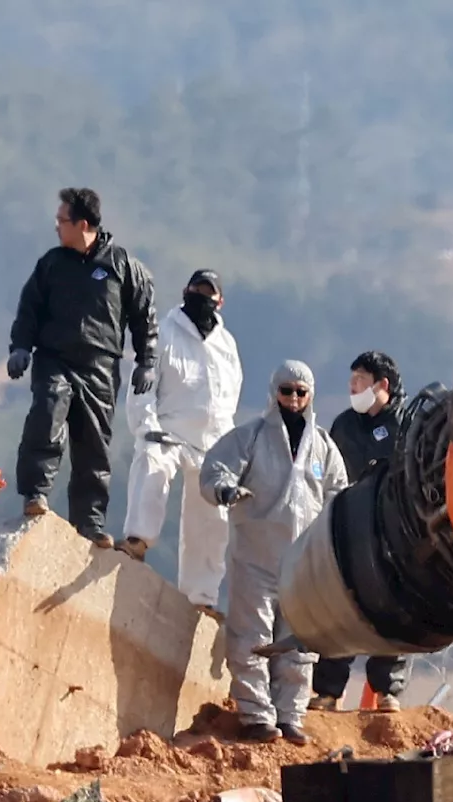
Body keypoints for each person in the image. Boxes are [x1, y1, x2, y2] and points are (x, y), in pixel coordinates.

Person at [201, 361, 349, 746]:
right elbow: (216, 469)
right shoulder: (250, 437)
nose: (294, 398)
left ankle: (290, 715)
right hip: (257, 558)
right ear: (274, 392)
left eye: (301, 391)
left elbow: (337, 492)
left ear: (311, 394)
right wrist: (226, 491)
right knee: (252, 636)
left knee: (299, 642)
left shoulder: (323, 446)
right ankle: (256, 714)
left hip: (304, 565)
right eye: (287, 390)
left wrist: (334, 538)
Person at [7, 187, 158, 547]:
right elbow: (29, 309)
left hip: (100, 366)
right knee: (47, 413)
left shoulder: (123, 266)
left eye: (62, 220)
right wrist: (19, 348)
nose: (56, 226)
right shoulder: (51, 264)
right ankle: (35, 494)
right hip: (54, 357)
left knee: (94, 444)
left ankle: (89, 523)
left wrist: (147, 360)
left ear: (83, 224)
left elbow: (144, 317)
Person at [119, 270, 242, 620]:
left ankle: (201, 595)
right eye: (197, 289)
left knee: (213, 515)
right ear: (185, 291)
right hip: (168, 431)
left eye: (209, 292)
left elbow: (227, 400)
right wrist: (147, 427)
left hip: (211, 444)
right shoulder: (163, 333)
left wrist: (227, 453)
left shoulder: (227, 346)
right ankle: (137, 541)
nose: (202, 296)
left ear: (220, 301)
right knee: (152, 463)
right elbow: (142, 386)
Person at [309, 351, 411, 713]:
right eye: (352, 380)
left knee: (393, 610)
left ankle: (387, 693)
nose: (353, 387)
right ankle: (328, 692)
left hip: (395, 534)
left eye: (360, 381)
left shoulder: (407, 424)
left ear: (382, 385)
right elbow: (322, 468)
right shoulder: (344, 425)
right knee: (341, 609)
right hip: (349, 529)